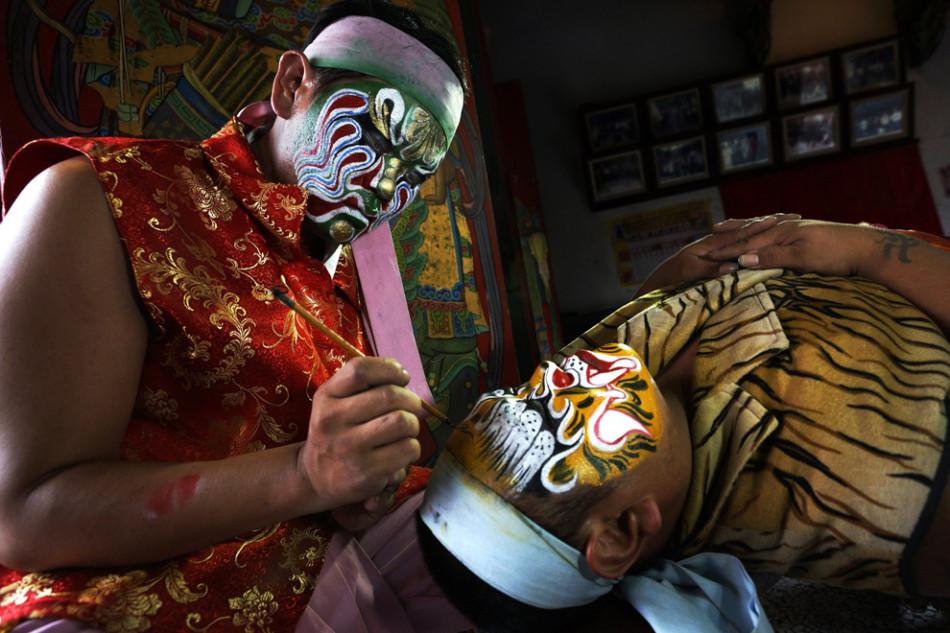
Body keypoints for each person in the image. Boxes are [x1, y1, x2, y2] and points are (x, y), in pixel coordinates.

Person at [0, 2, 474, 631]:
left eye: (416, 172)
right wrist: (303, 476)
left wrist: (362, 481)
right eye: (374, 136)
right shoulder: (105, 196)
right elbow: (24, 517)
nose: (387, 187)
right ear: (292, 86)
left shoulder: (355, 275)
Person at [415, 219, 950, 633]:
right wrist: (866, 250)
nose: (551, 374)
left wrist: (666, 285)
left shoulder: (616, 381)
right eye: (550, 417)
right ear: (622, 532)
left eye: (514, 395)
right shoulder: (874, 494)